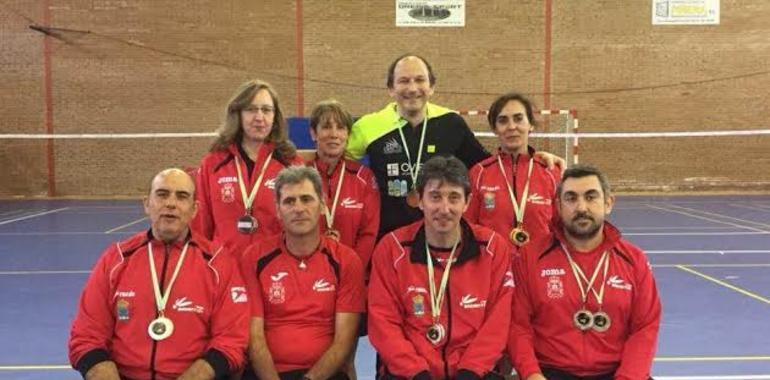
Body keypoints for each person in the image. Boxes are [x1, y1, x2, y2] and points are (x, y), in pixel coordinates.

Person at [346, 54, 563, 238]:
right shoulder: (368, 126)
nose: (412, 88)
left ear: (432, 87)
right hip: (389, 238)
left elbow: (489, 166)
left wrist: (531, 157)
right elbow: (334, 158)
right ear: (390, 89)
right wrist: (309, 159)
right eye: (403, 81)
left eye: (420, 80)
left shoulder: (451, 122)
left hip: (443, 238)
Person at [68, 168, 249, 380]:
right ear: (147, 204)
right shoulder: (116, 259)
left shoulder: (218, 263)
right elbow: (86, 335)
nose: (171, 203)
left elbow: (231, 340)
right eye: (162, 194)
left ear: (194, 209)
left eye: (182, 196)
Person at [368, 156, 515, 379]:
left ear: (467, 202)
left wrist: (471, 371)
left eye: (454, 197)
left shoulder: (493, 248)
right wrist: (416, 372)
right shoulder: (392, 248)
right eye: (435, 197)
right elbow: (383, 321)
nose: (444, 208)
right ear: (419, 200)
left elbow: (499, 320)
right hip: (410, 373)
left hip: (474, 371)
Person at [509, 165, 661, 380]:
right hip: (549, 373)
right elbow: (518, 325)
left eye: (591, 197)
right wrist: (531, 374)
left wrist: (628, 377)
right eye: (571, 199)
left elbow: (645, 326)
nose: (581, 207)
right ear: (559, 206)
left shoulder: (634, 259)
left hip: (617, 373)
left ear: (608, 203)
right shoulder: (530, 258)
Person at [240, 166, 365, 380]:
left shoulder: (347, 260)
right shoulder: (254, 258)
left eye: (307, 199)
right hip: (267, 373)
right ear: (278, 211)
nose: (298, 208)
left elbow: (343, 342)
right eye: (289, 201)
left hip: (325, 374)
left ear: (322, 206)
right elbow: (255, 339)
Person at [193, 79, 304, 257]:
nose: (259, 117)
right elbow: (200, 225)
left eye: (267, 110)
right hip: (225, 269)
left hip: (276, 271)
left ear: (275, 117)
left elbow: (301, 224)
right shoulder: (213, 164)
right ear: (238, 114)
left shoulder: (291, 164)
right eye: (251, 109)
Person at [465, 92, 561, 248]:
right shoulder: (479, 173)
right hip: (494, 268)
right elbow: (468, 227)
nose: (511, 127)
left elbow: (562, 228)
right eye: (503, 121)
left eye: (518, 118)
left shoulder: (550, 172)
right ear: (494, 129)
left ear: (530, 124)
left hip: (539, 267)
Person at [307, 99, 380, 270]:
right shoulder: (299, 174)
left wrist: (352, 269)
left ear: (347, 135)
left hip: (351, 271)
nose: (334, 134)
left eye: (340, 128)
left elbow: (368, 234)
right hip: (306, 271)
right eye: (326, 127)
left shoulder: (364, 177)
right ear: (313, 134)